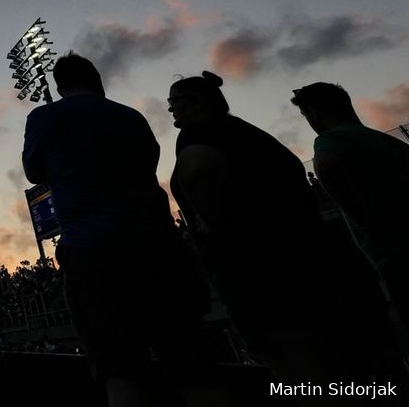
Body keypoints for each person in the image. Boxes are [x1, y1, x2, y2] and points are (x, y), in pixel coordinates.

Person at [168, 72, 404, 386]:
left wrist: (216, 237)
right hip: (330, 267)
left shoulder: (198, 137)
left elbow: (198, 169)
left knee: (307, 380)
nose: (171, 110)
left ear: (196, 103)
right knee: (376, 374)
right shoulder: (254, 136)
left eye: (175, 102)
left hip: (269, 284)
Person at [23, 53, 231, 407]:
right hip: (159, 247)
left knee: (121, 373)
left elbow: (33, 172)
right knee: (193, 369)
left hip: (94, 255)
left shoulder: (43, 117)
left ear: (59, 87)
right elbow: (148, 161)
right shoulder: (130, 116)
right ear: (98, 80)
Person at [292, 81, 409, 325]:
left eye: (305, 114)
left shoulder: (330, 141)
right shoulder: (391, 143)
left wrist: (361, 216)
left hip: (394, 259)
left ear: (313, 112)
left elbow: (326, 164)